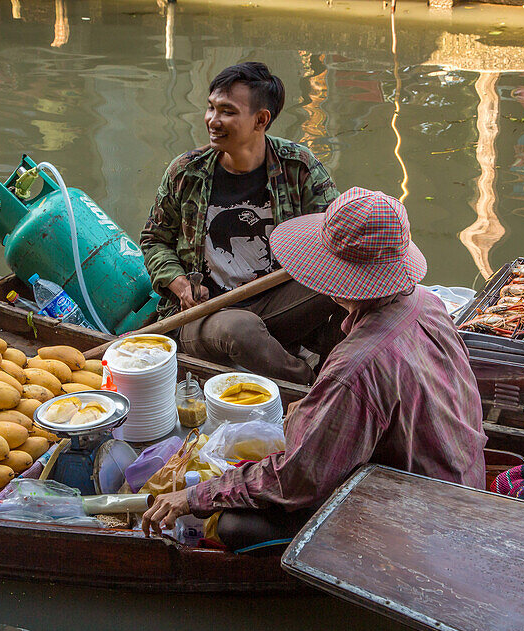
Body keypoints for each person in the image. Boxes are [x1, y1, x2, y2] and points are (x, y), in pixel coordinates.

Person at [143, 187, 488, 550]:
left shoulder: (356, 368)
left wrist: (194, 496)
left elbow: (295, 480)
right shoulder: (428, 303)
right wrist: (312, 414)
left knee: (235, 526)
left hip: (426, 520)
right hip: (461, 479)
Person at [140, 62, 342, 384]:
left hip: (274, 300)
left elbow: (336, 235)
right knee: (240, 329)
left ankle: (340, 365)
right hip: (205, 315)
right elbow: (154, 240)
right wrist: (178, 283)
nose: (213, 120)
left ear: (260, 120)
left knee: (351, 280)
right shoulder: (186, 172)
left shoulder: (298, 166)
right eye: (211, 108)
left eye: (227, 112)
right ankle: (310, 382)